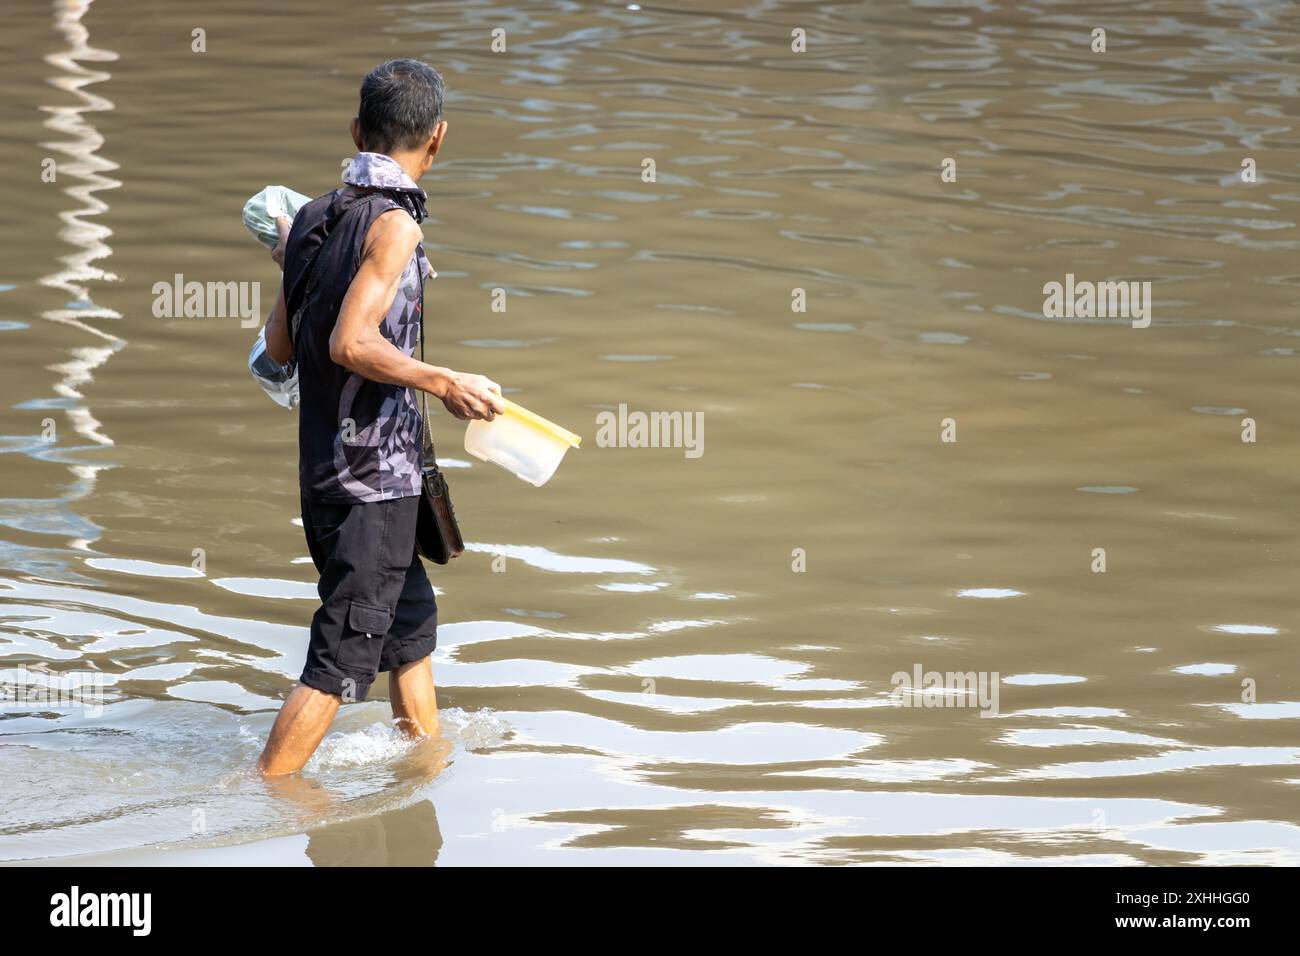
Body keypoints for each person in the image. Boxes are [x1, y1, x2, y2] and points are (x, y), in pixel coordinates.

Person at [256, 58, 504, 776]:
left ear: (357, 130)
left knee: (410, 630)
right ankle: (265, 794)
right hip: (369, 485)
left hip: (332, 477)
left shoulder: (311, 216)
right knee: (340, 659)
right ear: (439, 139)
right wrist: (444, 380)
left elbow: (280, 347)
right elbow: (349, 342)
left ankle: (424, 769)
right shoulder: (395, 228)